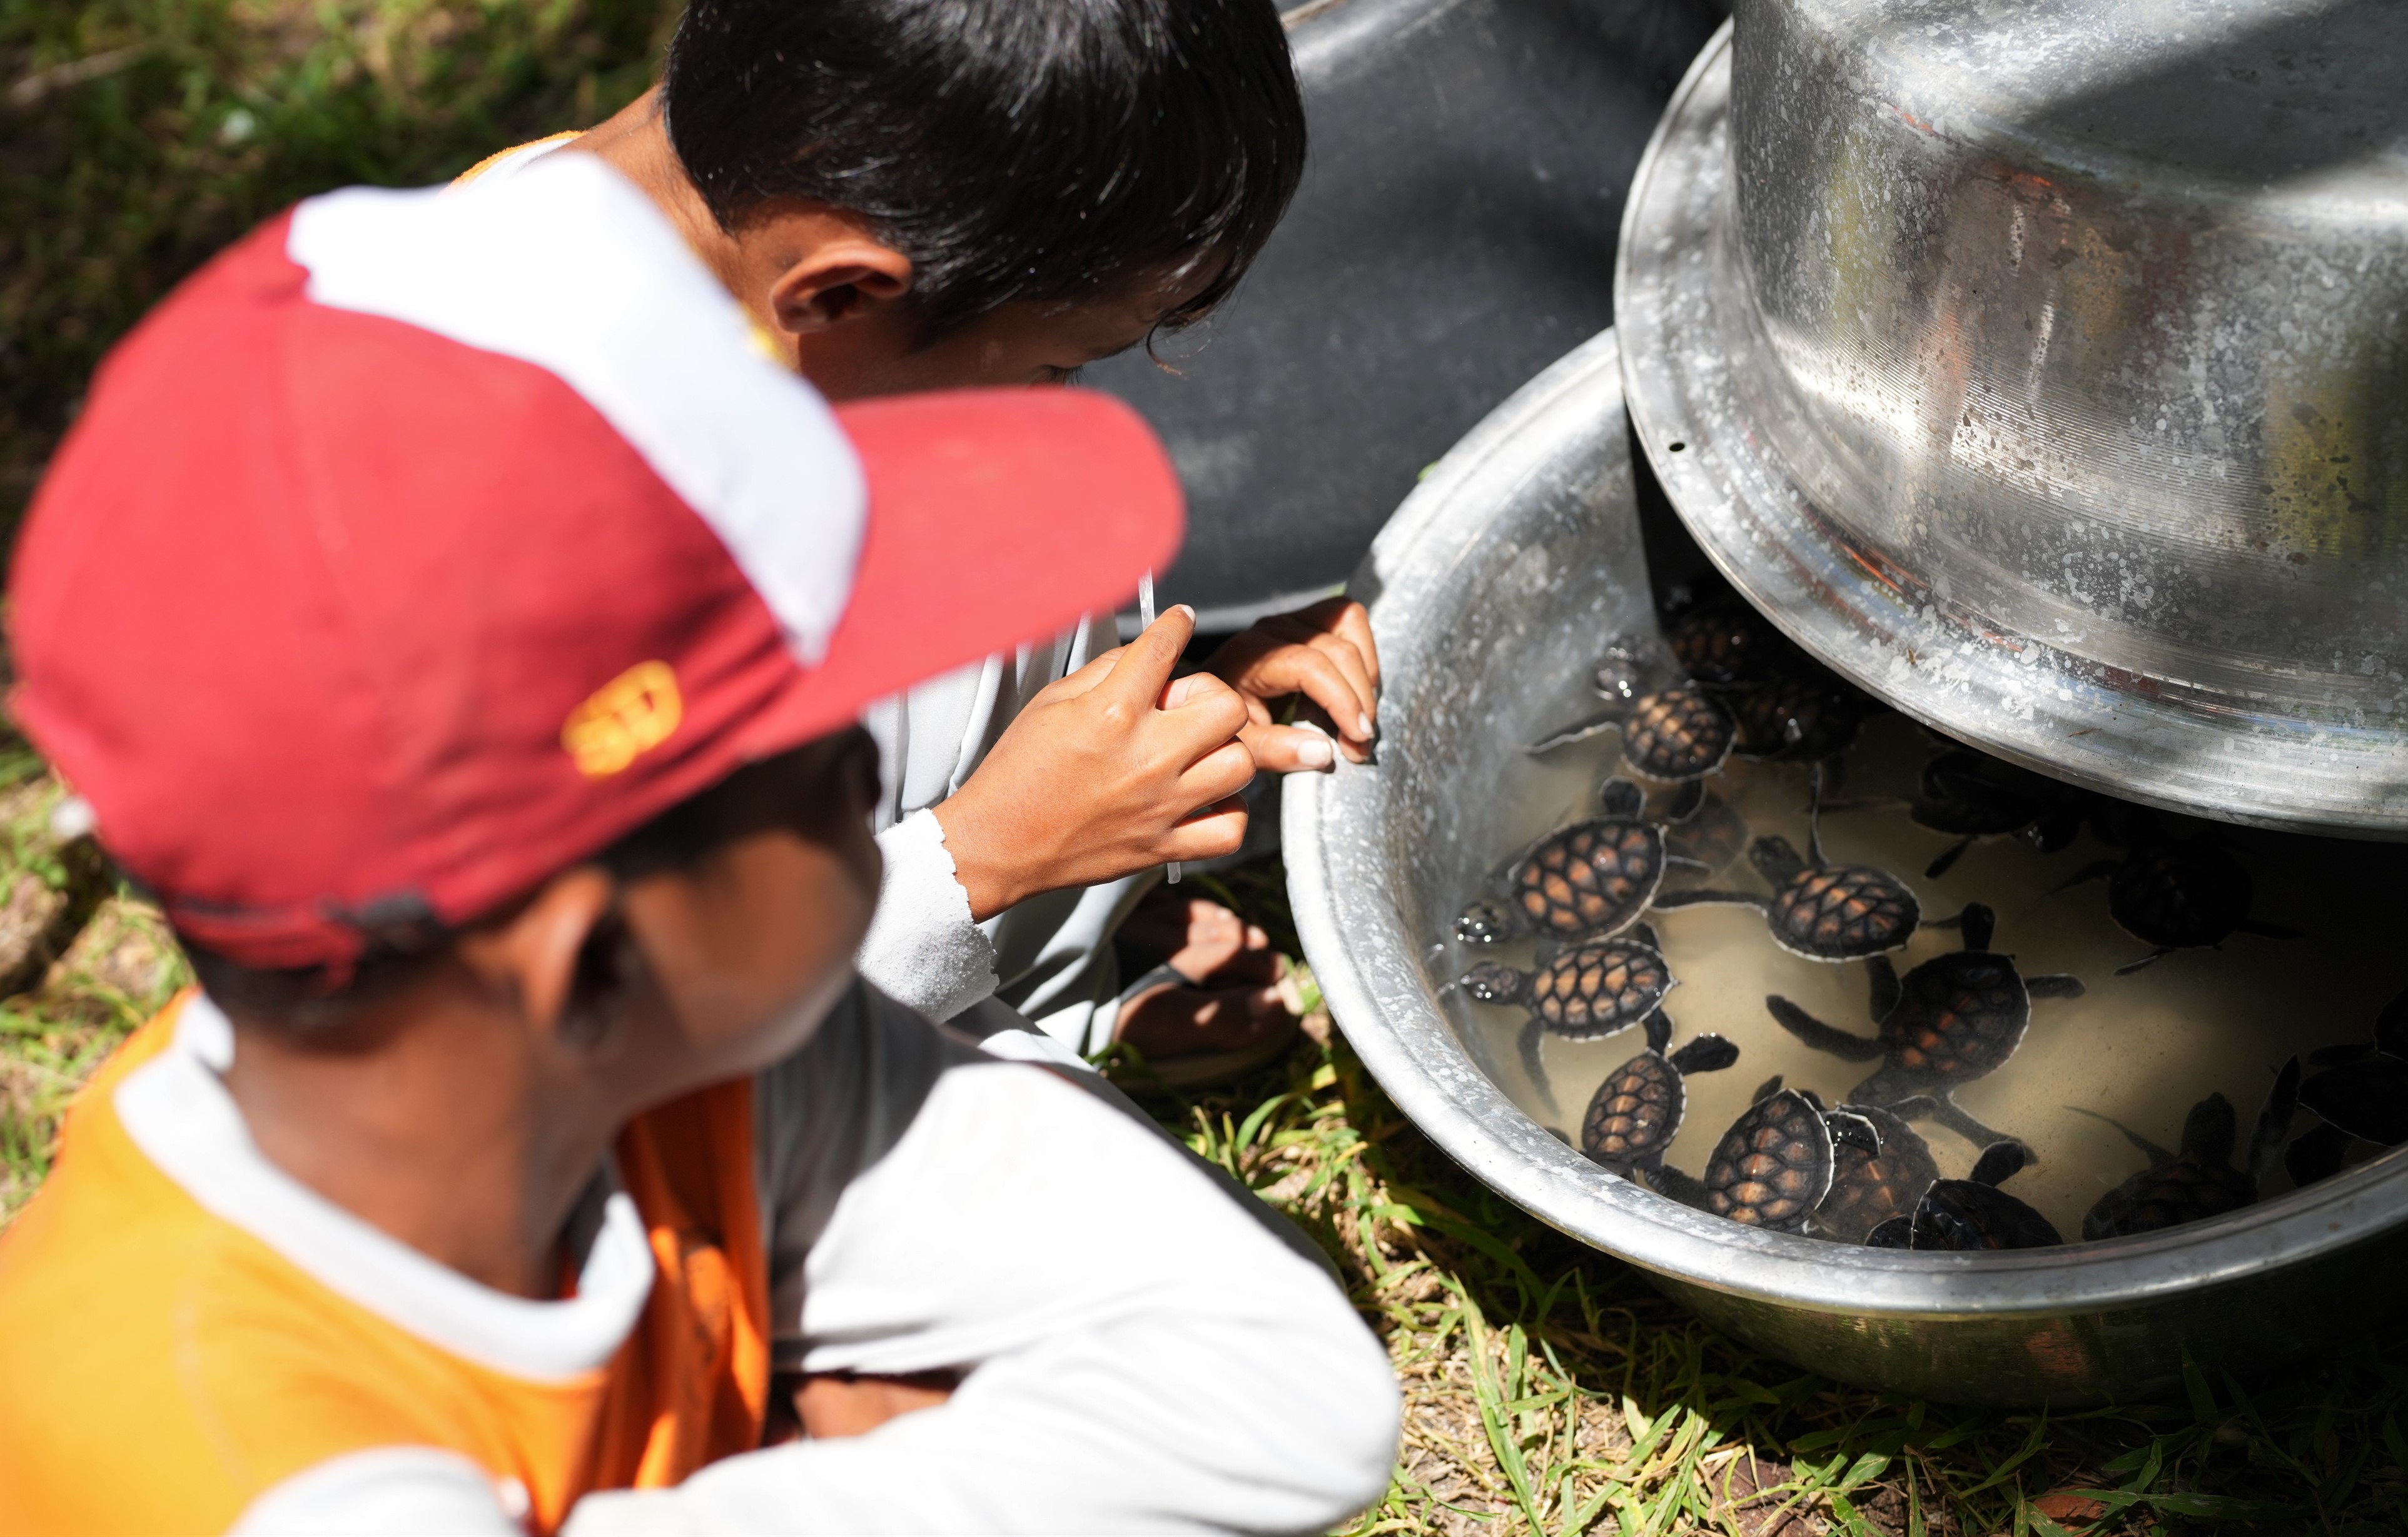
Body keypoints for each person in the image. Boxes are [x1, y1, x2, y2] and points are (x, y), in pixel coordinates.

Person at [0, 155, 1399, 1531]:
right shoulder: (241, 1461)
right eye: (823, 753)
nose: (876, 760)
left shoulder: (674, 1068)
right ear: (594, 959)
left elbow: (1294, 1390)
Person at [459, 0, 1384, 1073]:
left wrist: (1173, 718)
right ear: (841, 291)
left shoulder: (704, 214)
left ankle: (1037, 966)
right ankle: (970, 973)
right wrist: (985, 857)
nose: (1067, 398)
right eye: (1055, 362)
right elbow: (571, 1053)